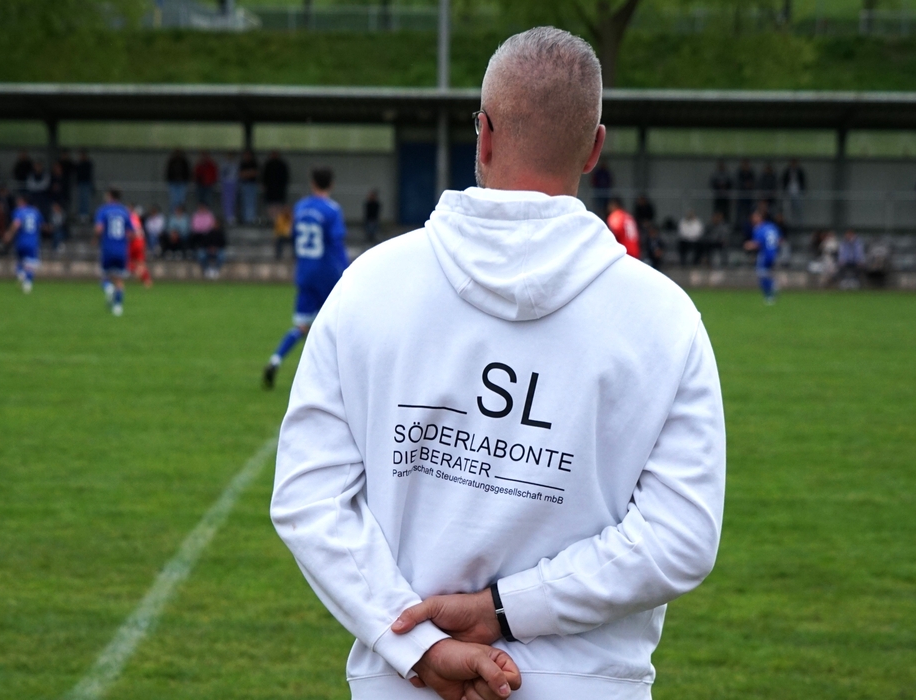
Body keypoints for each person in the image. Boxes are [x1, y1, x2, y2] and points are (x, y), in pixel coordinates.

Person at [270, 27, 725, 700]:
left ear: (481, 134)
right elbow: (680, 538)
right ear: (594, 148)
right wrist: (507, 610)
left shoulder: (369, 285)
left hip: (403, 686)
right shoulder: (665, 318)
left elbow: (309, 498)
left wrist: (420, 647)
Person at [262, 167, 348, 389]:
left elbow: (292, 236)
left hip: (305, 271)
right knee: (339, 325)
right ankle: (338, 380)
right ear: (331, 184)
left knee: (302, 326)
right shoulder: (332, 210)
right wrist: (348, 271)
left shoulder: (300, 207)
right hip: (327, 274)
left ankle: (275, 360)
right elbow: (336, 243)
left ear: (312, 183)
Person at [94, 189, 138, 316]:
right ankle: (118, 308)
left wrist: (97, 238)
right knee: (119, 280)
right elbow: (133, 233)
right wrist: (124, 240)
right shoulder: (125, 211)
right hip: (121, 250)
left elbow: (98, 229)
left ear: (109, 196)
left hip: (108, 249)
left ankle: (109, 288)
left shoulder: (103, 210)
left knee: (104, 277)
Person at [2, 193, 43, 294]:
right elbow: (40, 225)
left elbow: (16, 223)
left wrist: (9, 234)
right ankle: (27, 283)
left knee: (20, 260)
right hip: (32, 242)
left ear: (22, 201)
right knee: (30, 263)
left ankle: (20, 273)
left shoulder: (19, 211)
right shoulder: (35, 212)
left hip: (21, 241)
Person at [744, 209, 780, 304]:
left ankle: (769, 294)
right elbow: (779, 239)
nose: (753, 219)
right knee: (766, 273)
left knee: (761, 274)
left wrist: (749, 245)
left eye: (755, 217)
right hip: (773, 253)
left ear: (760, 218)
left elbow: (758, 243)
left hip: (764, 254)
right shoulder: (772, 227)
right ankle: (772, 286)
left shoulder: (759, 228)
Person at [128, 208, 153, 288]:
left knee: (129, 261)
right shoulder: (136, 218)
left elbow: (132, 233)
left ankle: (139, 274)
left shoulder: (130, 219)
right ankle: (146, 280)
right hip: (140, 241)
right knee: (139, 262)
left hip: (135, 242)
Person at [263, 150, 290, 215]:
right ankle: (273, 218)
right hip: (271, 190)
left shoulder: (282, 165)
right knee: (271, 205)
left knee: (279, 205)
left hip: (279, 190)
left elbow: (285, 177)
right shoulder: (268, 165)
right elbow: (264, 177)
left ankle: (278, 218)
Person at [781, 159, 806, 228]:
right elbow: (784, 180)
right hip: (788, 190)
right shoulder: (787, 170)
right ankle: (788, 223)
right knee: (787, 209)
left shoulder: (799, 171)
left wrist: (803, 190)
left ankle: (799, 224)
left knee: (798, 208)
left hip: (797, 191)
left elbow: (803, 181)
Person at [239, 150, 259, 224]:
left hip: (252, 185)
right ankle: (245, 220)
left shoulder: (254, 163)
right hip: (244, 185)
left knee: (251, 202)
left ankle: (251, 219)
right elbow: (241, 174)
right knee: (244, 202)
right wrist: (249, 173)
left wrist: (247, 174)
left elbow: (255, 173)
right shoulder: (242, 163)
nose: (247, 156)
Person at [735, 159, 755, 231]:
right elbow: (737, 183)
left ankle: (749, 227)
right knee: (740, 213)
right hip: (741, 196)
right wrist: (744, 185)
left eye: (746, 165)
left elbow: (754, 182)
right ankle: (739, 227)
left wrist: (750, 185)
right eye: (744, 165)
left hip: (749, 197)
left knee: (749, 213)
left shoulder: (751, 173)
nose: (745, 166)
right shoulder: (739, 173)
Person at [75, 150, 95, 221]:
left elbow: (89, 174)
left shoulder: (88, 163)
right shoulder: (79, 163)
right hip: (81, 183)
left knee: (85, 199)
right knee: (81, 199)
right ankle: (81, 214)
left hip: (86, 183)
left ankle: (85, 214)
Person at [220, 152, 239, 224]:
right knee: (226, 201)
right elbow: (222, 175)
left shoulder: (234, 165)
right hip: (226, 184)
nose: (229, 158)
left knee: (232, 200)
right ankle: (227, 216)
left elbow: (236, 175)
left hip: (233, 184)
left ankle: (231, 216)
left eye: (230, 156)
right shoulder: (224, 165)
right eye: (228, 156)